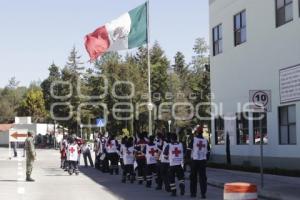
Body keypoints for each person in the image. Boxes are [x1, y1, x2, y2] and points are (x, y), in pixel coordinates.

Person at [189, 126, 210, 199]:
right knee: (203, 178)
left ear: (197, 132)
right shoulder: (206, 140)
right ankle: (203, 194)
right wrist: (206, 160)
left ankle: (193, 193)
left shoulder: (193, 139)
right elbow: (208, 152)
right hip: (202, 161)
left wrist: (188, 160)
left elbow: (189, 150)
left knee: (193, 177)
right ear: (202, 132)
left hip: (194, 161)